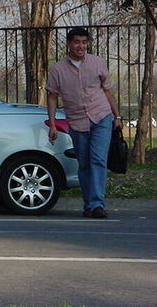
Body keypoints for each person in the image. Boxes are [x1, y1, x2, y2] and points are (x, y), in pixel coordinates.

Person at [46, 27, 123, 219]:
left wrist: (117, 116)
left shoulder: (97, 63)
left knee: (98, 160)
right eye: (77, 42)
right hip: (77, 121)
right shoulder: (57, 69)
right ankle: (88, 204)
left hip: (101, 116)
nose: (81, 46)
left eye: (84, 42)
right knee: (84, 164)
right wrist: (54, 124)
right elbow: (52, 96)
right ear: (69, 44)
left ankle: (97, 204)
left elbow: (107, 90)